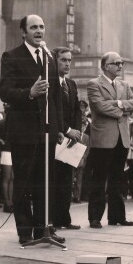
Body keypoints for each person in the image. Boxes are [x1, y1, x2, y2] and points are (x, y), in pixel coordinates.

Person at [0, 14, 65, 245]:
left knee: (45, 182)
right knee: (25, 182)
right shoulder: (11, 57)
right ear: (23, 32)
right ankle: (25, 231)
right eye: (34, 27)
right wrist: (29, 92)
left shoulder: (49, 58)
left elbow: (55, 97)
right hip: (24, 132)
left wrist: (58, 128)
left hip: (46, 132)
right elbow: (5, 92)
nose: (39, 31)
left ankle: (44, 228)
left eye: (42, 27)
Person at [87, 51, 133, 229]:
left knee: (118, 179)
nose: (120, 66)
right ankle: (95, 217)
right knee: (99, 178)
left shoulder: (124, 85)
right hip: (103, 140)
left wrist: (116, 103)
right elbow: (99, 107)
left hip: (121, 139)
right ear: (105, 66)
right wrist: (123, 108)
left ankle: (117, 217)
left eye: (121, 63)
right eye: (116, 63)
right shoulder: (94, 84)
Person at [52, 46, 82, 230]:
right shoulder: (51, 83)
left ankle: (65, 218)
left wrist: (77, 131)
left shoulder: (71, 84)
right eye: (63, 60)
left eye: (69, 60)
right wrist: (67, 129)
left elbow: (77, 110)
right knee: (54, 180)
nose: (67, 63)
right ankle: (53, 220)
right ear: (54, 61)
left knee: (67, 180)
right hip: (58, 137)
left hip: (71, 139)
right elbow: (53, 112)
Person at [0, 104, 14, 213]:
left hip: (11, 151)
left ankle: (10, 202)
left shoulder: (5, 123)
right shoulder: (1, 123)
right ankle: (7, 203)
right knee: (7, 178)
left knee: (11, 178)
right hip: (6, 152)